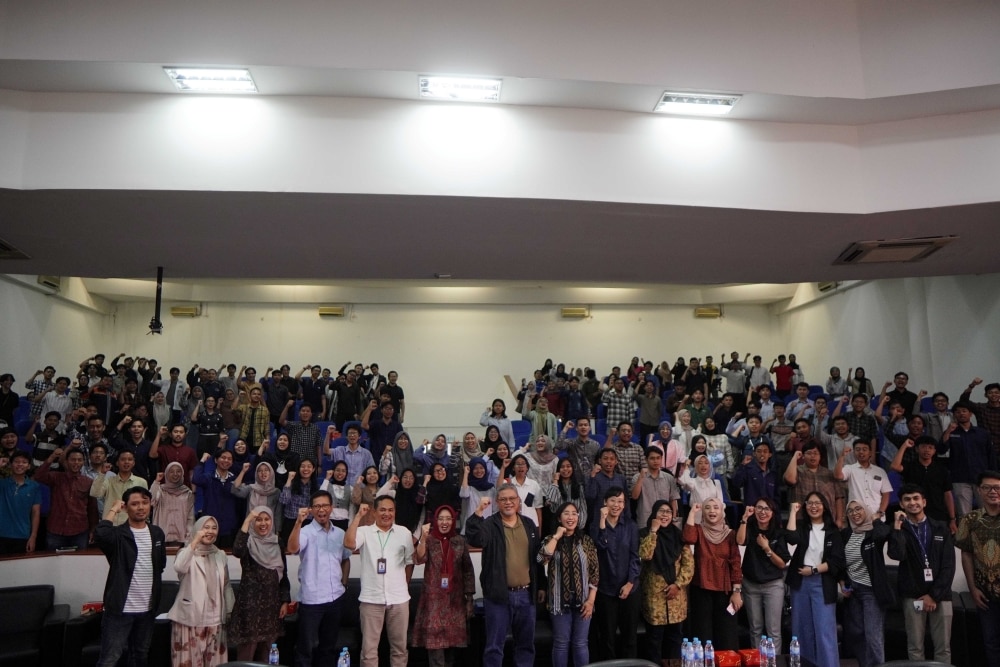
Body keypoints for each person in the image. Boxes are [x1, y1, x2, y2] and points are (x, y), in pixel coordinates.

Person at [466, 484, 542, 667]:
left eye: (512, 499)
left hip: (526, 595)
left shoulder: (529, 524)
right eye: (503, 499)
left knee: (526, 646)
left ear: (518, 501)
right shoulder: (490, 525)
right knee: (494, 647)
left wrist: (541, 586)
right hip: (498, 596)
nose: (508, 502)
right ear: (497, 502)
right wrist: (478, 511)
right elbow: (475, 538)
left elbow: (537, 558)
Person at [94, 487, 167, 667]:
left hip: (147, 608)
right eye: (135, 504)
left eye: (144, 503)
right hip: (120, 609)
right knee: (110, 658)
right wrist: (113, 509)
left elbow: (160, 565)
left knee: (140, 655)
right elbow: (101, 534)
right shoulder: (118, 534)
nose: (141, 507)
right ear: (126, 507)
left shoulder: (157, 533)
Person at [888, 484, 956, 664]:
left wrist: (933, 595)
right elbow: (897, 554)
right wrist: (897, 527)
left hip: (941, 596)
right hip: (913, 596)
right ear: (901, 504)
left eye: (916, 498)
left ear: (924, 502)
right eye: (907, 499)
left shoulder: (940, 527)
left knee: (943, 647)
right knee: (915, 647)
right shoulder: (899, 529)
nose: (912, 503)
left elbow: (949, 565)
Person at [344, 495, 415, 667]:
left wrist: (403, 585)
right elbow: (349, 543)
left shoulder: (404, 533)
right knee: (369, 651)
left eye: (390, 510)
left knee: (400, 649)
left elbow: (409, 562)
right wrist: (358, 516)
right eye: (382, 510)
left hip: (399, 600)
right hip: (371, 599)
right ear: (374, 512)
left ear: (395, 512)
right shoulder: (364, 532)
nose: (386, 514)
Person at [286, 490, 353, 667]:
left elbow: (345, 559)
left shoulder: (340, 533)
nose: (321, 509)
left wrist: (344, 584)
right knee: (305, 650)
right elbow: (292, 549)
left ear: (331, 508)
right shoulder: (305, 532)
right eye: (316, 506)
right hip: (311, 601)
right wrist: (298, 522)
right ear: (311, 509)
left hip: (335, 599)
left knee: (328, 648)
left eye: (324, 505)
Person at [412, 506, 476, 667]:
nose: (444, 522)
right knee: (435, 647)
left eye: (448, 518)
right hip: (433, 602)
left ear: (453, 521)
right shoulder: (430, 540)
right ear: (435, 521)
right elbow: (419, 558)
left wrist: (469, 599)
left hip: (455, 601)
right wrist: (423, 537)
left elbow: (468, 570)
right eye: (441, 519)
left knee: (452, 648)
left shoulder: (460, 541)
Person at [784, 494, 844, 667]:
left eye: (817, 503)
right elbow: (791, 538)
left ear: (824, 506)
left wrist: (814, 570)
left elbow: (837, 561)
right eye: (810, 503)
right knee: (802, 630)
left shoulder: (833, 531)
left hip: (822, 582)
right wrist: (793, 512)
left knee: (824, 630)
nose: (813, 506)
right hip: (800, 582)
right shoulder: (802, 527)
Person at [538, 502, 600, 667]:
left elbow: (595, 572)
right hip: (559, 602)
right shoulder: (550, 539)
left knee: (580, 643)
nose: (570, 517)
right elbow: (541, 559)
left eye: (574, 513)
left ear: (578, 518)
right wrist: (556, 537)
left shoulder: (586, 540)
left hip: (584, 601)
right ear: (559, 518)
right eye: (566, 513)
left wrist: (591, 601)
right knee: (561, 643)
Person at [168, 515, 233, 667]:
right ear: (197, 529)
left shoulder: (220, 555)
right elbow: (179, 567)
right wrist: (194, 541)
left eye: (214, 528)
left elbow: (226, 585)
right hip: (189, 620)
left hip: (216, 620)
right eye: (206, 527)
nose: (210, 531)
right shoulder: (186, 552)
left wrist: (229, 611)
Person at [228, 506, 291, 662]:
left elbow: (283, 574)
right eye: (258, 520)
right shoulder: (248, 542)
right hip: (250, 608)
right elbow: (237, 550)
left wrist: (284, 601)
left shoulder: (277, 542)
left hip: (272, 607)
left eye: (267, 519)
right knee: (247, 654)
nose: (263, 523)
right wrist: (247, 520)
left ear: (272, 521)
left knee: (267, 653)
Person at [683, 498, 742, 650]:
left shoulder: (731, 534)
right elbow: (688, 538)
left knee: (726, 635)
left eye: (716, 507)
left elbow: (736, 563)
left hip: (725, 590)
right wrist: (692, 512)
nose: (712, 511)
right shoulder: (699, 530)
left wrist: (736, 592)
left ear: (722, 511)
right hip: (701, 589)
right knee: (702, 634)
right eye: (707, 508)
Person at [840, 500, 894, 667]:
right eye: (850, 511)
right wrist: (842, 584)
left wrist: (876, 519)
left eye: (859, 509)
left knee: (873, 637)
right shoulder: (846, 534)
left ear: (866, 510)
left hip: (871, 591)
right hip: (852, 591)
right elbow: (840, 562)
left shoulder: (873, 533)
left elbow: (884, 534)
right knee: (856, 633)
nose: (854, 513)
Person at [639, 500, 693, 664]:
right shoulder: (644, 534)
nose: (664, 515)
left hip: (676, 598)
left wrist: (678, 585)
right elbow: (645, 555)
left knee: (675, 639)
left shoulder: (679, 536)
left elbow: (688, 565)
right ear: (654, 514)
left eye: (668, 512)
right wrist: (653, 532)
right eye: (661, 511)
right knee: (654, 640)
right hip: (655, 599)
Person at [590, 486, 641, 660]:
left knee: (630, 638)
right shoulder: (595, 526)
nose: (616, 505)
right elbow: (600, 547)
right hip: (605, 589)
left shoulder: (631, 526)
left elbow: (635, 557)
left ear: (625, 505)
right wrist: (602, 522)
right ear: (605, 502)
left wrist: (630, 583)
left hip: (629, 588)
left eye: (620, 501)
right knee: (607, 637)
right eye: (613, 500)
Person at [956, 471, 1000, 667]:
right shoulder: (969, 519)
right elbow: (966, 554)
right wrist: (973, 589)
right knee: (991, 643)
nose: (993, 492)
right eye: (987, 487)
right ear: (979, 491)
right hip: (985, 594)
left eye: (997, 487)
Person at [736, 498, 790, 652]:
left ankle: (774, 661)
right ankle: (757, 661)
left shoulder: (778, 532)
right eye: (759, 508)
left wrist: (767, 548)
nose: (762, 512)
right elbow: (740, 541)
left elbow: (782, 564)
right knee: (755, 628)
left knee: (773, 630)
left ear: (772, 513)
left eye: (767, 509)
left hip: (773, 585)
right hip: (751, 584)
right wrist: (744, 518)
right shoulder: (749, 527)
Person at [941, 400, 997, 518]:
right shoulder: (951, 432)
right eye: (957, 412)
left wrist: (993, 477)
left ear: (970, 414)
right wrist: (948, 431)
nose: (961, 413)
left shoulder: (982, 433)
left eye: (964, 411)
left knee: (987, 512)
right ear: (954, 415)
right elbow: (941, 449)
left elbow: (991, 455)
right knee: (964, 515)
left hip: (981, 478)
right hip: (960, 478)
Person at [34, 444, 97, 550]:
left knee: (80, 560)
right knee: (53, 559)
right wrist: (52, 457)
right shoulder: (56, 477)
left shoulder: (88, 482)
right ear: (67, 461)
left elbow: (92, 509)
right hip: (56, 530)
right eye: (73, 460)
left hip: (80, 531)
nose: (76, 463)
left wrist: (93, 529)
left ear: (83, 462)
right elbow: (38, 476)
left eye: (79, 460)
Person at [835, 439, 891, 520]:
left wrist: (880, 512)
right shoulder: (849, 469)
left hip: (877, 517)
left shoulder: (880, 471)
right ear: (854, 452)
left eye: (864, 449)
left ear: (870, 453)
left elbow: (886, 494)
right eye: (858, 449)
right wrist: (842, 456)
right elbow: (838, 476)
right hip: (857, 518)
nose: (861, 452)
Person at [193, 449, 239, 549]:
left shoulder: (234, 479)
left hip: (228, 527)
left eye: (229, 459)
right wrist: (202, 461)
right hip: (210, 527)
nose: (226, 460)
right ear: (216, 460)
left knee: (226, 555)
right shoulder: (209, 477)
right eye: (223, 458)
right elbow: (196, 479)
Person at [0, 450, 41, 553]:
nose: (20, 464)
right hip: (2, 534)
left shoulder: (34, 486)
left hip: (22, 535)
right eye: (16, 461)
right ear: (10, 465)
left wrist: (33, 536)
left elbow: (36, 512)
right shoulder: (2, 484)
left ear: (29, 466)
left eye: (24, 462)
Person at [631, 445, 680, 526]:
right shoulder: (637, 477)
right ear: (646, 459)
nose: (655, 461)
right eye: (652, 458)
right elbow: (634, 496)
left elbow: (673, 500)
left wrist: (673, 518)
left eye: (658, 458)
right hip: (645, 521)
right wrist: (641, 478)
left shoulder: (669, 478)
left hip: (665, 521)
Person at [150, 461, 195, 544]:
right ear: (166, 474)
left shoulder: (187, 493)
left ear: (182, 474)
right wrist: (156, 482)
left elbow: (190, 516)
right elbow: (151, 501)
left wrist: (189, 536)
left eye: (178, 471)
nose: (175, 474)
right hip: (161, 536)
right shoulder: (160, 490)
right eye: (171, 471)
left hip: (181, 537)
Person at [555, 417, 601, 485]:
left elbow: (599, 463)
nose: (583, 427)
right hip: (575, 481)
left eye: (585, 425)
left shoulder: (596, 445)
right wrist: (566, 428)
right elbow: (558, 445)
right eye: (580, 425)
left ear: (590, 428)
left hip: (591, 480)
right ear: (576, 428)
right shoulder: (571, 443)